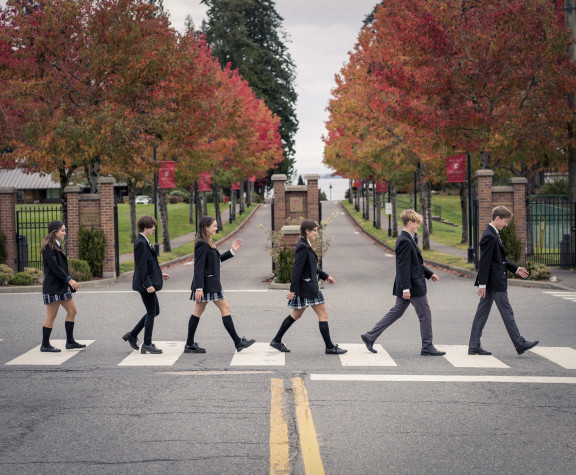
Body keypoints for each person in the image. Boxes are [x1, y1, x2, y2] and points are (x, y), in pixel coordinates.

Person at [360, 209, 446, 356]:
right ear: (410, 222)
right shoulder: (405, 241)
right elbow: (403, 266)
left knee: (396, 312)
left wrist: (429, 273)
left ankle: (370, 336)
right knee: (425, 315)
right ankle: (427, 346)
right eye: (417, 223)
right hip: (412, 286)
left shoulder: (408, 238)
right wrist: (406, 288)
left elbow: (415, 264)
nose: (418, 226)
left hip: (410, 284)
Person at [468, 205, 539, 355]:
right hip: (495, 282)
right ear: (497, 218)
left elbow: (500, 259)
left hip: (492, 282)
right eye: (505, 221)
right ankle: (519, 343)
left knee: (481, 314)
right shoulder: (489, 235)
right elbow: (484, 261)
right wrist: (482, 284)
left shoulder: (493, 234)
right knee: (507, 313)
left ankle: (474, 346)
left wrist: (516, 268)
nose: (506, 225)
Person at [270, 219, 347, 355]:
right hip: (308, 287)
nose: (316, 233)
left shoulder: (306, 244)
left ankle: (276, 340)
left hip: (306, 287)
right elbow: (296, 269)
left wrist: (325, 276)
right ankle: (329, 347)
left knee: (296, 314)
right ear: (307, 231)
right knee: (322, 313)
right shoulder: (303, 246)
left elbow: (313, 267)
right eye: (315, 231)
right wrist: (292, 290)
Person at [185, 216, 255, 353]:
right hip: (207, 285)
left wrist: (232, 251)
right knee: (225, 308)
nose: (217, 228)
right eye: (214, 226)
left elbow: (216, 260)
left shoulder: (207, 241)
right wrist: (199, 288)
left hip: (209, 284)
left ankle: (189, 344)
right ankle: (238, 342)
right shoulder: (201, 243)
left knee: (198, 312)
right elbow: (198, 266)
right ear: (206, 227)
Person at [122, 215, 170, 354]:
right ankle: (147, 344)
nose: (154, 228)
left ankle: (132, 335)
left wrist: (159, 275)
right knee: (151, 312)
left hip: (146, 281)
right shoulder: (141, 243)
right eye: (152, 226)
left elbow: (149, 264)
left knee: (155, 311)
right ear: (146, 227)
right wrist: (148, 284)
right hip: (144, 284)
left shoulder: (144, 241)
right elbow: (141, 266)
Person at [40, 220, 84, 352]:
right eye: (62, 230)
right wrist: (69, 279)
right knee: (51, 316)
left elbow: (62, 267)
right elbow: (55, 267)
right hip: (53, 287)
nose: (65, 233)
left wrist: (69, 280)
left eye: (65, 230)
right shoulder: (49, 246)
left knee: (72, 311)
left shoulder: (58, 245)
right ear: (55, 232)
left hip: (62, 286)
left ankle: (70, 342)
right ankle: (45, 344)